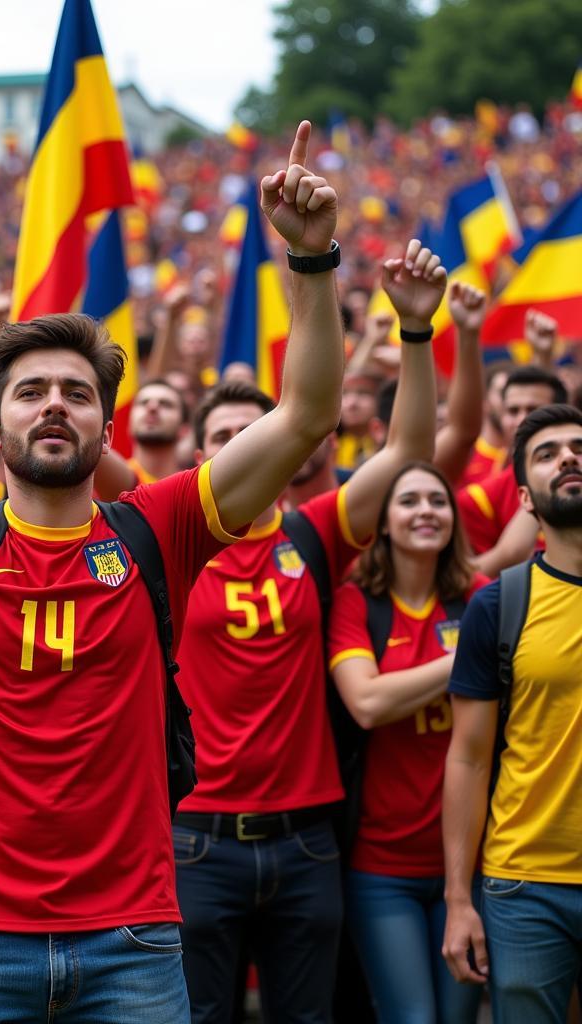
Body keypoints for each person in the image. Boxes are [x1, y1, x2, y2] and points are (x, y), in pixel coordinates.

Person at [0, 108, 345, 1022]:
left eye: (77, 393)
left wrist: (311, 261)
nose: (54, 406)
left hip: (132, 944)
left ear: (106, 427)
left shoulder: (161, 527)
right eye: (30, 392)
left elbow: (305, 416)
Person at [171, 236, 446, 1024]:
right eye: (220, 438)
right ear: (197, 455)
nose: (235, 451)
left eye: (249, 435)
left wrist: (416, 334)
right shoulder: (171, 542)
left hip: (307, 842)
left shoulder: (314, 533)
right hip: (196, 841)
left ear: (281, 448)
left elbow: (410, 457)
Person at [327, 461, 486, 1024]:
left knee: (459, 1018)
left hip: (472, 864)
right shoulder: (356, 603)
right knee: (413, 1018)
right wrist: (465, 656)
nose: (425, 512)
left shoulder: (480, 599)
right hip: (381, 865)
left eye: (438, 502)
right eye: (410, 501)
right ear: (385, 523)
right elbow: (367, 704)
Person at [443, 403, 582, 1023]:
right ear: (526, 498)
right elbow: (469, 759)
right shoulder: (498, 606)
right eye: (548, 454)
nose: (569, 458)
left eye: (578, 447)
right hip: (525, 886)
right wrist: (457, 898)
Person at [457, 365, 566, 555]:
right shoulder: (479, 499)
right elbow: (475, 576)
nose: (522, 420)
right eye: (513, 411)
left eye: (534, 410)